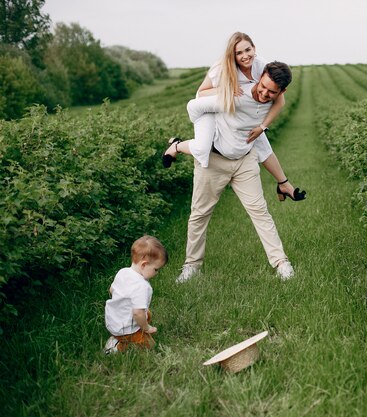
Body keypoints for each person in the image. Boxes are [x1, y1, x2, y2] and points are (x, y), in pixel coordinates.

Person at [176, 61, 296, 283]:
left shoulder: (273, 101)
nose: (264, 93)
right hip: (214, 159)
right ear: (259, 79)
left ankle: (281, 262)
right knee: (200, 213)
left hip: (244, 161)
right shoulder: (237, 93)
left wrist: (283, 180)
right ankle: (191, 265)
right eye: (263, 87)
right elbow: (198, 100)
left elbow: (264, 145)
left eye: (271, 92)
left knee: (260, 211)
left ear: (280, 92)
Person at [163, 32, 305, 202]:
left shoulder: (262, 66)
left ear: (254, 48)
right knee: (202, 148)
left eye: (248, 50)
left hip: (236, 107)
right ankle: (177, 146)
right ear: (232, 55)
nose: (245, 56)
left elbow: (279, 101)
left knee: (259, 140)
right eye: (239, 53)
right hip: (210, 108)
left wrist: (262, 127)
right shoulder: (222, 68)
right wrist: (227, 89)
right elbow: (201, 93)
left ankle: (283, 184)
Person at [103, 235, 168, 354]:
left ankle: (117, 336)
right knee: (150, 345)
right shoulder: (141, 286)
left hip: (112, 319)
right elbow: (137, 313)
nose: (157, 273)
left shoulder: (123, 272)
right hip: (126, 329)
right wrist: (146, 328)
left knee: (147, 313)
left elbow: (111, 290)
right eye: (156, 269)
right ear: (144, 265)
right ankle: (116, 346)